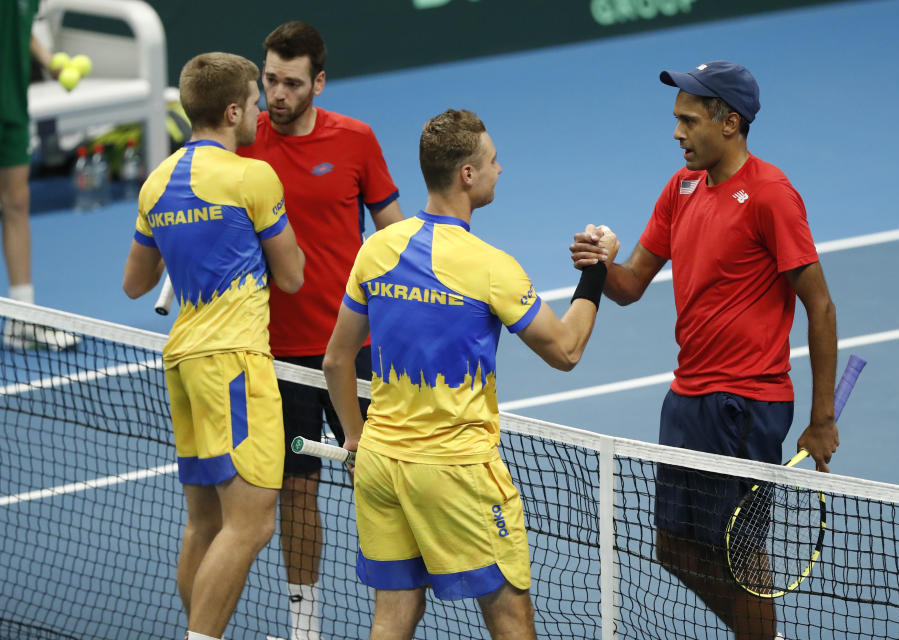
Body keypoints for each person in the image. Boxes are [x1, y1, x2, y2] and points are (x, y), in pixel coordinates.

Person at [322, 108, 616, 640]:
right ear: (467, 175)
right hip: (455, 472)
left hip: (381, 466)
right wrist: (597, 271)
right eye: (493, 160)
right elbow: (567, 350)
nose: (500, 169)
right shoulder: (491, 267)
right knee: (510, 618)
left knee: (394, 614)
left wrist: (357, 437)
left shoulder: (376, 249)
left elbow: (337, 360)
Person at [570, 61, 838, 640]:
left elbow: (820, 305)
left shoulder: (771, 196)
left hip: (746, 401)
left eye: (689, 121)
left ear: (730, 123)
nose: (677, 133)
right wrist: (598, 268)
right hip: (687, 396)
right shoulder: (681, 188)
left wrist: (821, 419)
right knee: (674, 547)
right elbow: (632, 284)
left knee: (738, 557)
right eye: (676, 120)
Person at [122, 52, 304, 640]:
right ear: (232, 111)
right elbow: (293, 274)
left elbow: (136, 283)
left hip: (182, 360)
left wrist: (193, 242)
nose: (260, 111)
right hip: (233, 363)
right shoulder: (252, 178)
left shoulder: (157, 183)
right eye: (255, 101)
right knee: (250, 526)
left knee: (203, 525)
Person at [235, 21, 403, 640]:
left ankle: (395, 611)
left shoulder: (356, 141)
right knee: (296, 490)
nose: (277, 94)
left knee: (379, 480)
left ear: (318, 83)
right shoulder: (240, 142)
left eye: (292, 83)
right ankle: (304, 625)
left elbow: (392, 231)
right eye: (269, 79)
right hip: (277, 355)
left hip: (355, 349)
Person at [0, 0, 78, 349]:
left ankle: (22, 318)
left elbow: (20, 30)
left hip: (12, 105)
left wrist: (48, 61)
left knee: (16, 202)